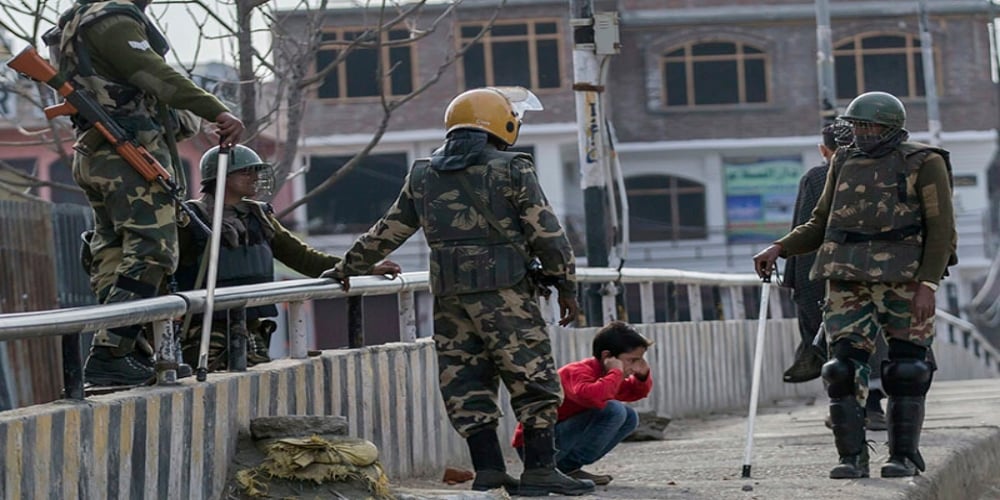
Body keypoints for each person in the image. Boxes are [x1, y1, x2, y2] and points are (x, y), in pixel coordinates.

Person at [321, 87, 594, 496]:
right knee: (532, 379)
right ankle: (539, 470)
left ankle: (488, 470)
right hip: (507, 297)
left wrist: (347, 267)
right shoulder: (513, 168)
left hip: (450, 299)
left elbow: (387, 229)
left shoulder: (423, 173)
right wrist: (567, 286)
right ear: (501, 122)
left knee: (465, 381)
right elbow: (548, 234)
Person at [753, 91, 956, 479]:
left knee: (907, 369)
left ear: (891, 128)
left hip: (905, 278)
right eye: (856, 126)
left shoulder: (925, 162)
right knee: (841, 368)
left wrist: (928, 283)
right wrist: (780, 247)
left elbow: (941, 228)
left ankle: (904, 456)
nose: (861, 134)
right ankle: (852, 457)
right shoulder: (843, 160)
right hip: (847, 278)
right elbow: (820, 221)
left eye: (869, 127)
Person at [49, 0, 245, 386]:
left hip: (103, 151)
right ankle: (110, 353)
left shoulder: (81, 18)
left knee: (116, 252)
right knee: (154, 249)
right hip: (124, 152)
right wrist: (215, 109)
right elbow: (153, 73)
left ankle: (127, 356)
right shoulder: (112, 20)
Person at [175, 145, 401, 368]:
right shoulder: (191, 220)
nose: (254, 177)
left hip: (250, 329)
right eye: (246, 171)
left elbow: (304, 258)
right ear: (220, 175)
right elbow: (166, 270)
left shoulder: (259, 216)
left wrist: (361, 268)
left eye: (256, 170)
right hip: (204, 333)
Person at [782, 123, 889, 430]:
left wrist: (800, 285)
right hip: (879, 275)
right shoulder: (882, 172)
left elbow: (806, 230)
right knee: (874, 339)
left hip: (831, 279)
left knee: (837, 345)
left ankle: (846, 409)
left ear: (823, 150)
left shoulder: (817, 177)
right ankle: (873, 407)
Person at [511, 321, 653, 486]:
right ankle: (551, 468)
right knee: (614, 410)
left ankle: (568, 468)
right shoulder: (578, 372)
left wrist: (642, 377)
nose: (635, 367)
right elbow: (592, 397)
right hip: (535, 447)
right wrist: (616, 372)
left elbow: (632, 392)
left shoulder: (607, 375)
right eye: (632, 360)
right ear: (607, 357)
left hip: (558, 440)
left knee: (630, 417)